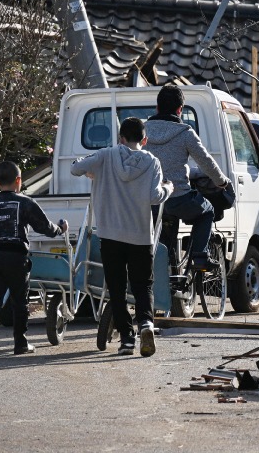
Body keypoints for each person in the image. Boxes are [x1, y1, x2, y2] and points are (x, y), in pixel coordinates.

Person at [71, 116, 172, 356]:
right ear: (144, 140)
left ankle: (127, 339)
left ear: (120, 138)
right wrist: (170, 188)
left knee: (115, 288)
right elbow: (155, 197)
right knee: (142, 285)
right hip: (140, 235)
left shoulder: (105, 155)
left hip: (110, 234)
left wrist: (90, 171)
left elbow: (76, 168)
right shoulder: (152, 162)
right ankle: (146, 324)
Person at [0, 161, 69, 360]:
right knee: (19, 301)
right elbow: (45, 228)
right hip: (15, 257)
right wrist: (61, 229)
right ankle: (20, 343)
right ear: (19, 181)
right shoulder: (25, 202)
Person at [146, 84, 232, 271]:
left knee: (160, 238)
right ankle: (200, 256)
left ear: (157, 107)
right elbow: (206, 162)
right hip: (178, 200)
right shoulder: (185, 133)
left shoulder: (142, 131)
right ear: (180, 110)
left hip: (149, 202)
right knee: (207, 211)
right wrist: (221, 181)